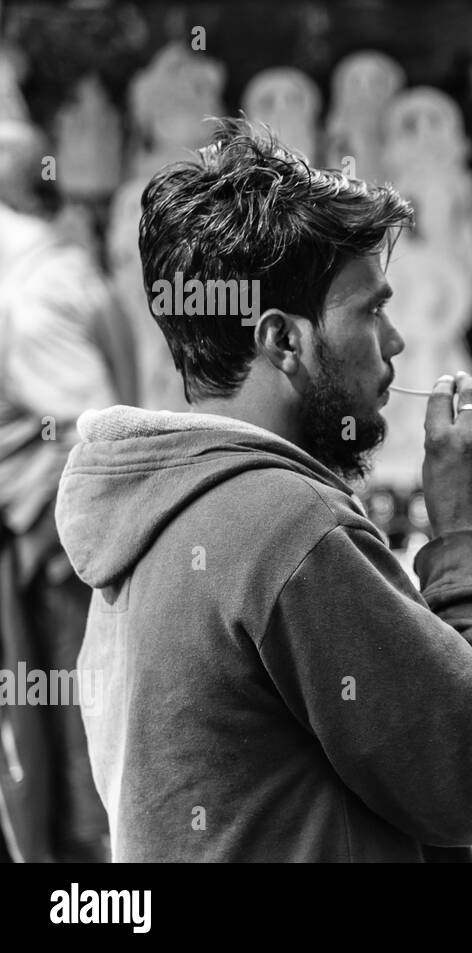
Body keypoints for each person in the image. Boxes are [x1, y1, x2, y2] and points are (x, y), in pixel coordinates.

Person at [55, 119, 472, 861]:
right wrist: (469, 538)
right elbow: (471, 776)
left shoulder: (153, 509)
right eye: (372, 310)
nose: (397, 342)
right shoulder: (286, 526)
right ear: (283, 340)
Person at [0, 118, 127, 863]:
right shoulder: (53, 268)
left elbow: (89, 433)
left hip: (59, 554)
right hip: (54, 547)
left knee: (71, 745)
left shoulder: (37, 293)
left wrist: (54, 553)